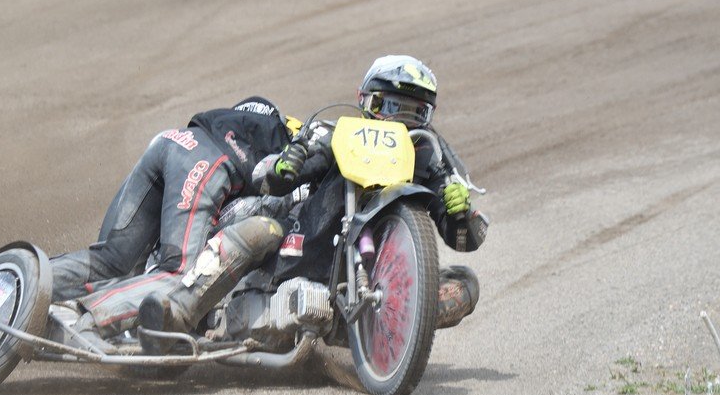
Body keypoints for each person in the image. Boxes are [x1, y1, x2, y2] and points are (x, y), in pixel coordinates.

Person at [136, 55, 486, 339]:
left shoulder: (432, 160)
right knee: (261, 227)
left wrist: (462, 213)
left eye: (415, 113)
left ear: (428, 116)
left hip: (378, 277)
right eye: (390, 105)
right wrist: (287, 163)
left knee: (465, 283)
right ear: (366, 102)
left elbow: (468, 239)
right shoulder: (336, 133)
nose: (399, 120)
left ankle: (384, 335)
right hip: (298, 243)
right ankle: (179, 312)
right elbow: (267, 178)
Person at [50, 96, 311, 343]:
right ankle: (92, 318)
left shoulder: (248, 118)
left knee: (114, 260)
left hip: (172, 140)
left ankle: (28, 282)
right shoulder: (296, 147)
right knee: (179, 274)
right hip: (204, 164)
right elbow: (261, 193)